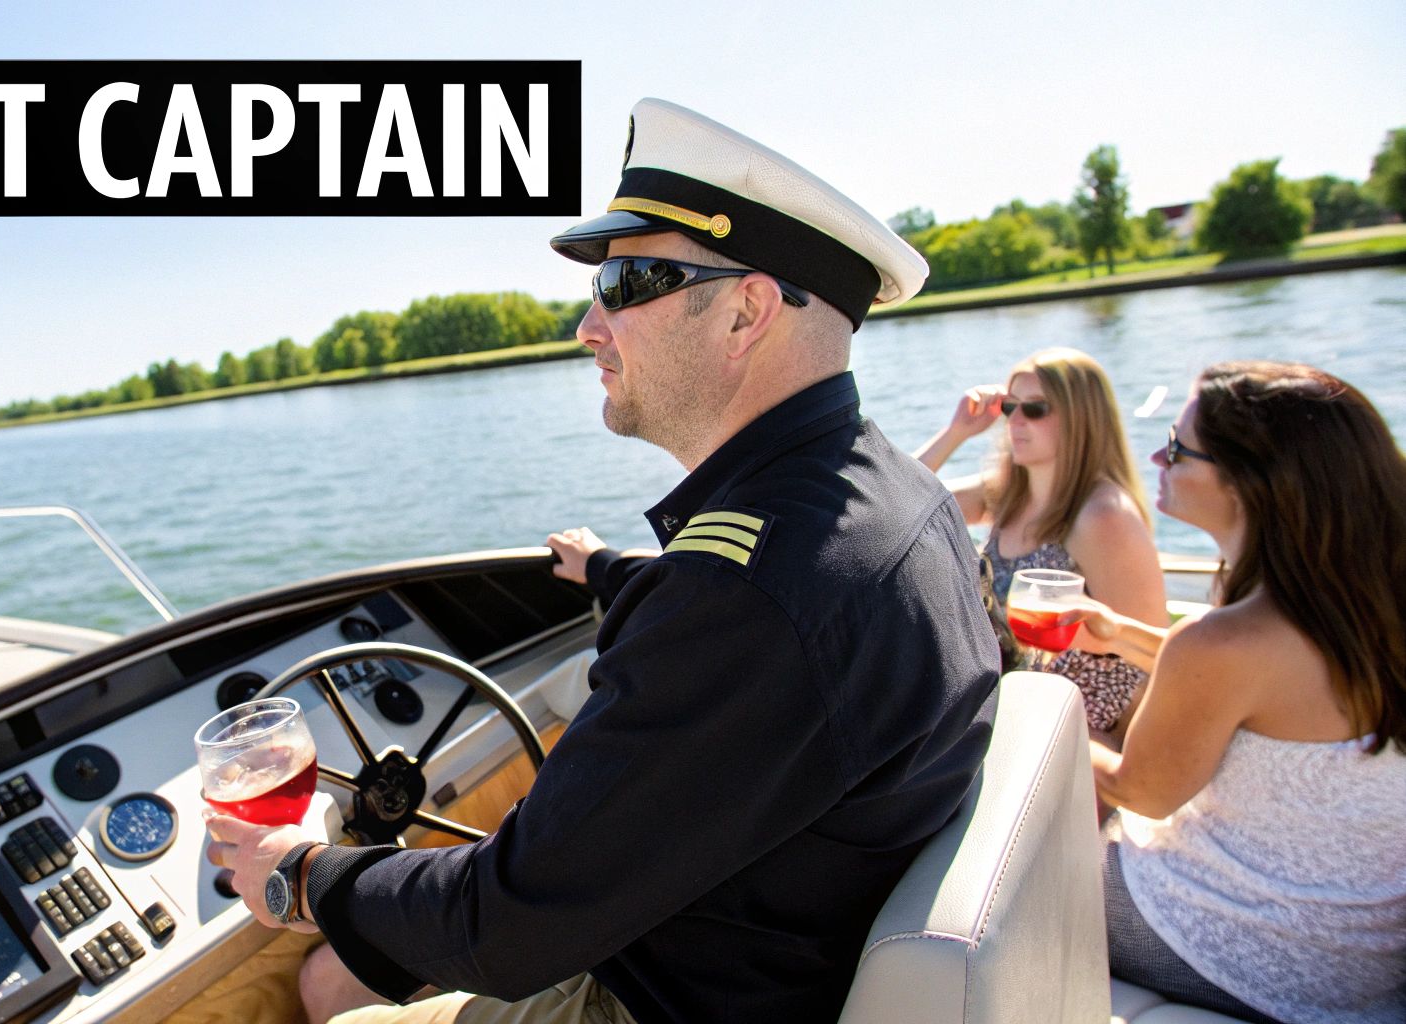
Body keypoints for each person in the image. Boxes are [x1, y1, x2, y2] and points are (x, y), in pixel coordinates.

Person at [204, 98, 998, 1024]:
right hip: (761, 956)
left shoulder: (745, 597)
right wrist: (616, 574)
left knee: (324, 995)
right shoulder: (903, 503)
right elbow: (751, 654)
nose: (588, 325)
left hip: (653, 1000)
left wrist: (295, 874)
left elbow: (500, 928)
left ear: (746, 311)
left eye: (624, 287)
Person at [1067, 362, 1406, 1023]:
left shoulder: (1228, 641)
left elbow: (1143, 791)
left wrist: (1047, 717)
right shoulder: (1361, 604)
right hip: (1362, 955)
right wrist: (1122, 635)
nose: (1159, 456)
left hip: (1235, 950)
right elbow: (1276, 692)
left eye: (1178, 444)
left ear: (1250, 486)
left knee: (1007, 854)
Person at [913, 348, 1166, 735]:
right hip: (1008, 703)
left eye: (1035, 409)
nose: (1016, 421)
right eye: (1010, 408)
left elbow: (1154, 657)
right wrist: (957, 432)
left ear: (1082, 418)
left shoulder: (1104, 515)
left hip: (1070, 725)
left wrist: (1109, 755)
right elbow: (900, 501)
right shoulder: (1007, 496)